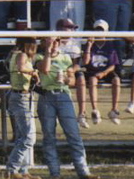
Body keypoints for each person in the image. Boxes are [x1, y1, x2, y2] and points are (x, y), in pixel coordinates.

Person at [35, 37, 99, 179]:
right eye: (51, 41)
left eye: (57, 41)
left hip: (64, 95)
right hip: (46, 97)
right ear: (43, 43)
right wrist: (48, 51)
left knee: (73, 134)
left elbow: (72, 80)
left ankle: (83, 171)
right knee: (49, 136)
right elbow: (44, 69)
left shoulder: (65, 58)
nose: (54, 44)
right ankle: (54, 172)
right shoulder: (38, 57)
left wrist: (65, 79)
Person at [5, 37, 40, 179]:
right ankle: (12, 169)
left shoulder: (13, 54)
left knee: (22, 136)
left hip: (21, 96)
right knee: (29, 137)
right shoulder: (22, 55)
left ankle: (23, 171)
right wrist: (34, 72)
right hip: (21, 98)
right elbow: (20, 67)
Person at [81, 19, 122, 126]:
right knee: (92, 80)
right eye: (97, 30)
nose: (99, 33)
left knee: (116, 80)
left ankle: (114, 110)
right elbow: (85, 62)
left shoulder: (110, 45)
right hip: (93, 71)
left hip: (106, 71)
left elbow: (113, 65)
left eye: (101, 30)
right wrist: (89, 46)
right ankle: (95, 110)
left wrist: (104, 73)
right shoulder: (89, 45)